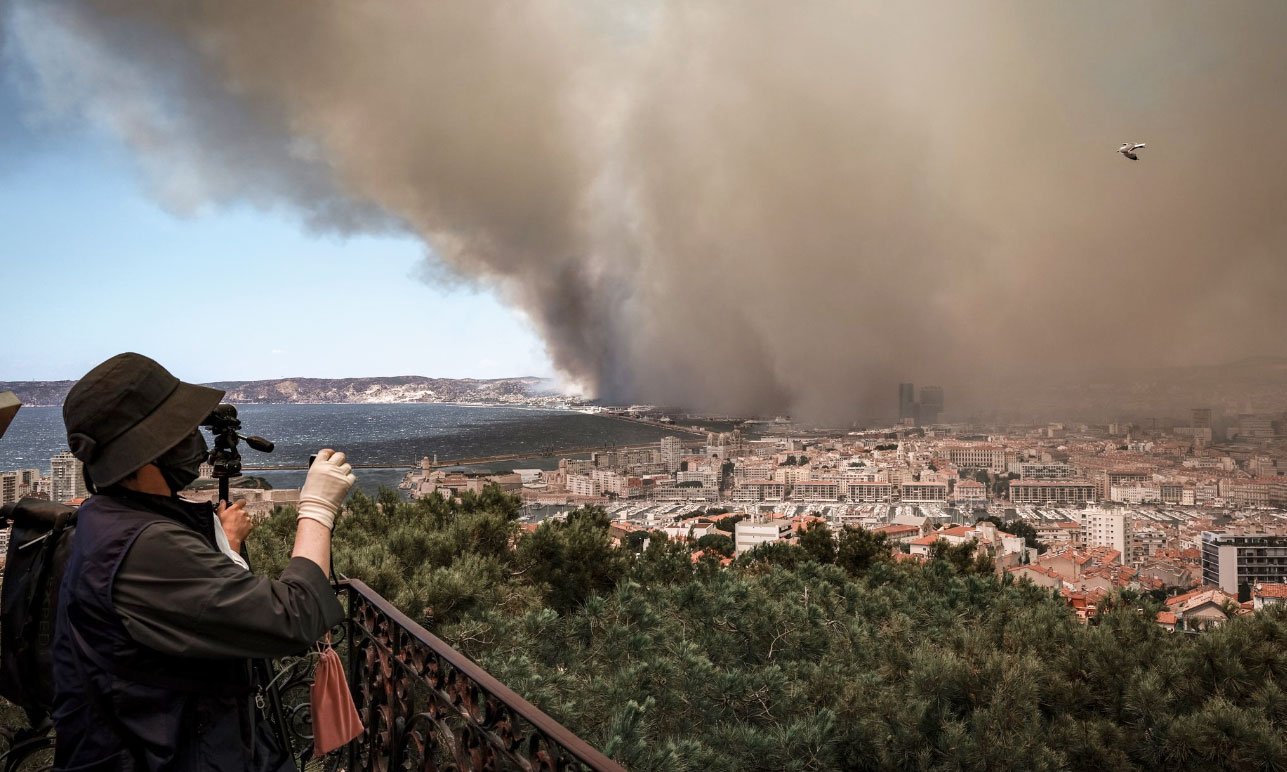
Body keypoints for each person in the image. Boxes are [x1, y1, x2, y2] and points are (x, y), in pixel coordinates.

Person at [50, 353, 357, 772]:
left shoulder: (105, 515)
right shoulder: (144, 546)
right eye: (181, 428)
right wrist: (317, 507)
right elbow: (296, 616)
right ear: (149, 449)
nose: (193, 439)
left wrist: (223, 545)